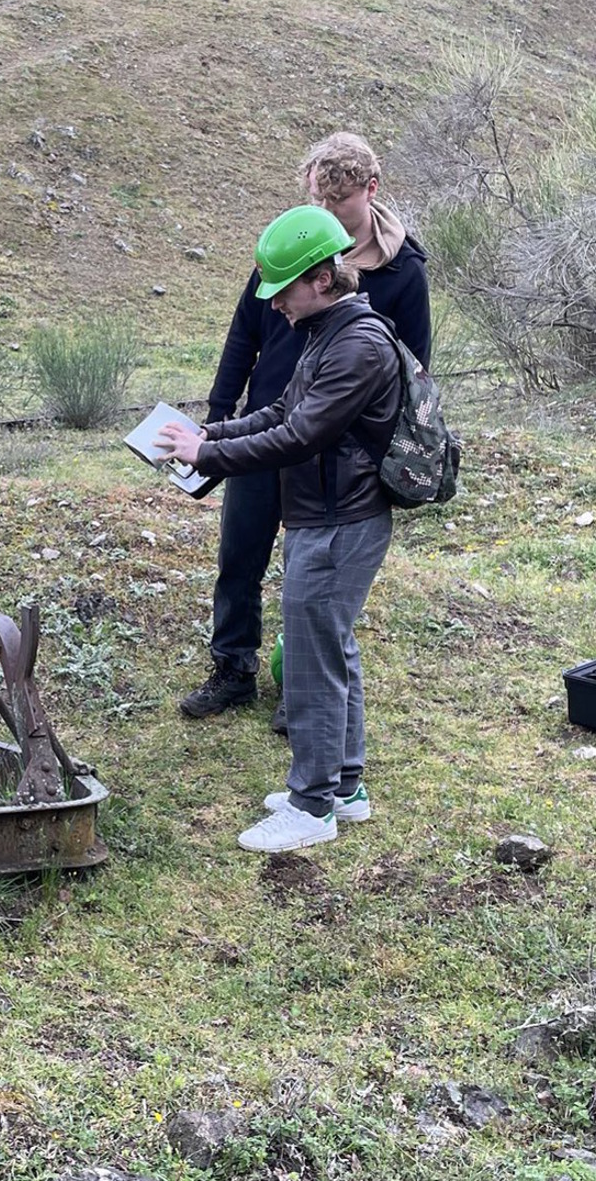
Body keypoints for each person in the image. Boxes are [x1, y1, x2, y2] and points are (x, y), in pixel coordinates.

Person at [159, 206, 402, 853]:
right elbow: (279, 409)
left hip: (338, 522)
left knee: (314, 662)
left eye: (284, 289)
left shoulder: (357, 343)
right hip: (324, 517)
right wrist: (211, 431)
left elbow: (299, 435)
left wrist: (205, 457)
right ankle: (346, 787)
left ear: (323, 277)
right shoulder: (330, 330)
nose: (275, 305)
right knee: (332, 648)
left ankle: (311, 803)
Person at [182, 131, 429, 722]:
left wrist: (377, 457)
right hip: (269, 425)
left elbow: (414, 373)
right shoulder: (291, 250)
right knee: (240, 552)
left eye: (338, 203)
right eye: (318, 202)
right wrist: (219, 421)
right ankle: (232, 667)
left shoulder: (402, 275)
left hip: (333, 459)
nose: (328, 217)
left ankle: (302, 687)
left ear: (371, 190)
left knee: (312, 573)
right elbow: (245, 330)